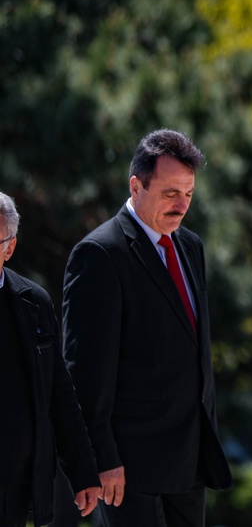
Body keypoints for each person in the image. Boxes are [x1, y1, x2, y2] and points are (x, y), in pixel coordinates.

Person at [62, 129, 232, 527]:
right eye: (170, 192)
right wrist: (102, 460)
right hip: (128, 470)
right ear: (136, 186)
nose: (181, 204)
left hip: (189, 461)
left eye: (188, 194)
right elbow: (85, 373)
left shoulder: (190, 246)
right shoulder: (100, 254)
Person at [0, 192, 100, 527]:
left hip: (13, 484)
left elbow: (58, 393)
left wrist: (83, 472)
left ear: (9, 248)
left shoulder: (33, 302)